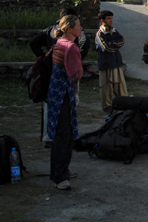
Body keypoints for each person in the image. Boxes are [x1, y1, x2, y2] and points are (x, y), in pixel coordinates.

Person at [29, 6, 88, 145]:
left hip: (51, 72)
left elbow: (33, 42)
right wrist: (77, 60)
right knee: (67, 108)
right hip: (67, 76)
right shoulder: (69, 39)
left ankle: (49, 137)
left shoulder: (51, 30)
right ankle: (63, 137)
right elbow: (85, 43)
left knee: (49, 106)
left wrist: (44, 58)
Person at [47, 15, 83, 191]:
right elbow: (76, 74)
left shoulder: (59, 42)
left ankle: (58, 171)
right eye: (78, 25)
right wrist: (75, 94)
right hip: (64, 95)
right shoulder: (71, 48)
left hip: (55, 93)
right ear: (69, 29)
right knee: (64, 136)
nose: (81, 28)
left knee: (59, 135)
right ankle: (60, 176)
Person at [95, 10, 128, 113]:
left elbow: (122, 41)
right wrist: (114, 45)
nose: (111, 20)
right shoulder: (100, 34)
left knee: (120, 86)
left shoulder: (114, 31)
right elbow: (106, 48)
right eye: (108, 18)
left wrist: (112, 43)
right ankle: (107, 108)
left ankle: (124, 104)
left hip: (116, 62)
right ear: (102, 20)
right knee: (106, 87)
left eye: (111, 18)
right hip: (106, 64)